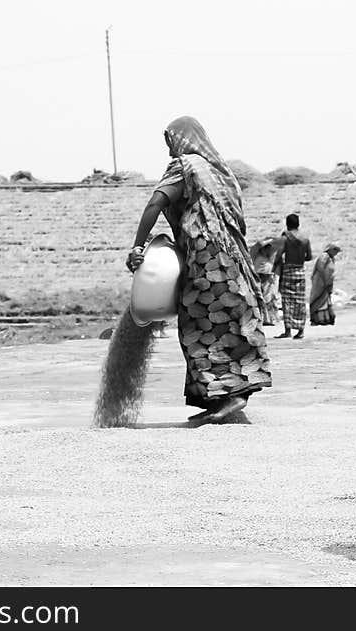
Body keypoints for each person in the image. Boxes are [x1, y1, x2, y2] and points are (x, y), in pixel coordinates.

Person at [126, 116, 271, 424]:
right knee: (234, 322)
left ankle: (226, 397)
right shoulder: (220, 171)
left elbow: (155, 203)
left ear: (181, 141)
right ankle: (231, 395)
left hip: (207, 262)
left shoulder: (184, 166)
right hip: (234, 261)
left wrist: (138, 246)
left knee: (200, 325)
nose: (169, 152)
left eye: (170, 144)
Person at [274, 213, 312, 339]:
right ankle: (301, 331)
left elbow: (279, 254)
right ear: (298, 224)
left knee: (287, 301)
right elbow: (309, 257)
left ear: (287, 224)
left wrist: (275, 266)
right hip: (300, 271)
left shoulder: (285, 238)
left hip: (288, 271)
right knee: (299, 301)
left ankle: (288, 331)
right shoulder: (305, 239)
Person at [249, 236, 284, 326]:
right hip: (260, 277)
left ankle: (270, 319)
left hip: (268, 278)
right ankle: (263, 318)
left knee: (269, 298)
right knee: (261, 298)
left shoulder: (271, 257)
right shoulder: (258, 256)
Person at [309, 243, 341, 326]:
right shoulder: (324, 256)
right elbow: (320, 267)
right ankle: (317, 319)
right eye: (335, 251)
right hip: (320, 282)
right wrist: (325, 280)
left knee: (325, 300)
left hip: (327, 282)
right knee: (318, 299)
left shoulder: (331, 258)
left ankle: (326, 319)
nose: (336, 253)